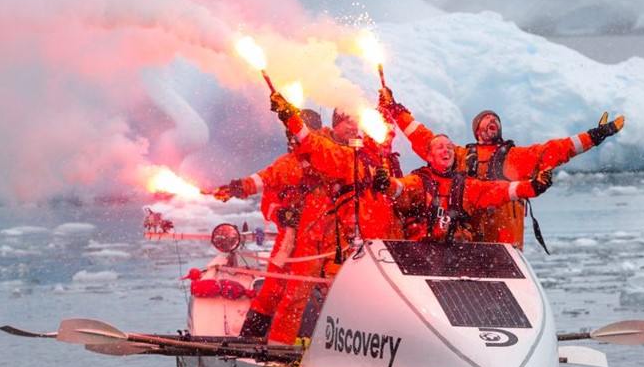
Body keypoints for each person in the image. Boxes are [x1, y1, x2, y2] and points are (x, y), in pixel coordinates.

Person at [378, 88, 623, 249]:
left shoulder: (518, 157)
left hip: (506, 243)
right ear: (476, 131)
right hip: (470, 242)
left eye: (495, 120)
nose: (491, 122)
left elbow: (558, 149)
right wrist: (396, 110)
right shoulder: (461, 156)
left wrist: (596, 135)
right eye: (485, 121)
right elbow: (424, 139)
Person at [266, 93, 404, 344]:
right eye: (347, 121)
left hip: (383, 245)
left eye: (357, 122)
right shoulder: (342, 158)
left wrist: (388, 107)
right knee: (309, 296)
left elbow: (388, 135)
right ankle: (280, 348)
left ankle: (370, 349)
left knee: (378, 302)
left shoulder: (379, 158)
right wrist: (289, 116)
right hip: (342, 243)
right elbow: (311, 145)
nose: (354, 127)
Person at [210, 109, 323, 338]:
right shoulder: (285, 166)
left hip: (326, 242)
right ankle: (252, 340)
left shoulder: (332, 162)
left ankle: (307, 343)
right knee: (272, 293)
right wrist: (282, 215)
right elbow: (267, 202)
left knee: (307, 294)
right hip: (290, 244)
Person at [372, 134, 553, 243]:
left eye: (450, 147)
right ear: (429, 156)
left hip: (459, 256)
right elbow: (402, 189)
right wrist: (387, 184)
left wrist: (532, 186)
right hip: (420, 255)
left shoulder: (466, 185)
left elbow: (499, 190)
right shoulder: (419, 181)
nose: (447, 150)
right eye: (440, 147)